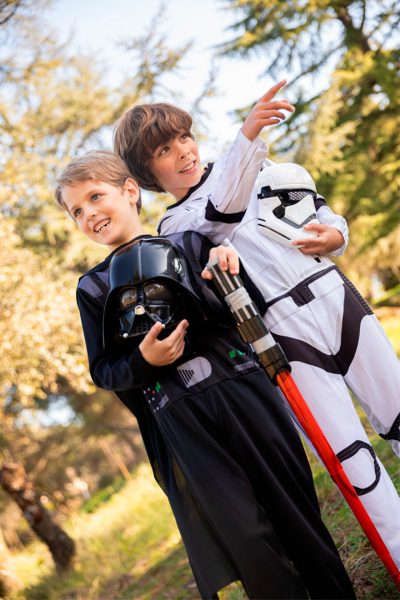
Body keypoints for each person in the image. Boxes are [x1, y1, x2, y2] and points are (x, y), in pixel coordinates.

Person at [113, 83, 400, 570]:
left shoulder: (259, 168)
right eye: (163, 151)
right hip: (281, 333)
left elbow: (314, 208)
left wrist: (337, 233)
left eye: (183, 137)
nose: (182, 152)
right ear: (148, 173)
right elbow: (221, 211)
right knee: (352, 460)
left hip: (336, 298)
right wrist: (247, 136)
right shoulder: (175, 230)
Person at [55, 150, 356, 600]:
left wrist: (227, 276)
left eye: (95, 197)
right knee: (246, 538)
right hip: (183, 419)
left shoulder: (191, 243)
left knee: (296, 514)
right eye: (77, 211)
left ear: (130, 191)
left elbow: (250, 310)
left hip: (244, 390)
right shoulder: (93, 288)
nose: (89, 214)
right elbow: (104, 371)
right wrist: (143, 360)